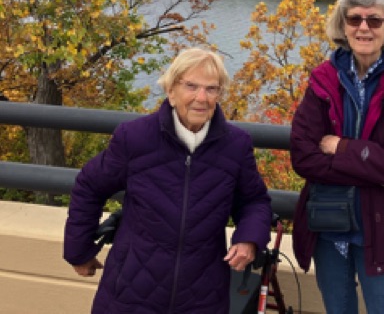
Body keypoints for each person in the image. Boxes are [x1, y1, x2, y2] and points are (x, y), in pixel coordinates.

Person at [64, 48, 272, 314]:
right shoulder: (135, 137)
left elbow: (254, 201)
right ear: (171, 91)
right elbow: (89, 186)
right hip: (130, 291)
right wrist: (79, 251)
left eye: (211, 89)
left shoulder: (236, 144)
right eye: (191, 86)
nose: (201, 98)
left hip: (203, 293)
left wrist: (249, 239)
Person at [290, 0, 384, 314]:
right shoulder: (323, 79)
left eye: (374, 20)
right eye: (354, 19)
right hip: (330, 226)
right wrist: (380, 174)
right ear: (343, 25)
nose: (363, 27)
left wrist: (340, 147)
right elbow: (303, 156)